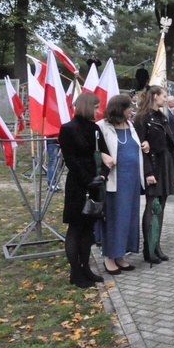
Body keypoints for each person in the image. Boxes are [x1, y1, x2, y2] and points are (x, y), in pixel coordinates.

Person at [58, 92, 108, 288]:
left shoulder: (95, 128)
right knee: (76, 227)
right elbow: (71, 160)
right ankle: (76, 272)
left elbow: (105, 153)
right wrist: (89, 180)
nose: (98, 111)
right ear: (87, 107)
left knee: (89, 228)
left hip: (95, 182)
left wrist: (103, 176)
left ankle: (85, 267)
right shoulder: (68, 129)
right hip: (78, 185)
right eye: (96, 107)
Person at [97, 95, 144, 274]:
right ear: (119, 108)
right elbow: (97, 149)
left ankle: (120, 254)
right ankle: (109, 256)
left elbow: (134, 147)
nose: (131, 110)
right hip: (115, 181)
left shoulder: (130, 125)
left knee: (129, 218)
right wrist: (103, 156)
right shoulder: (103, 126)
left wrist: (144, 146)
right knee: (114, 218)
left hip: (132, 181)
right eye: (128, 107)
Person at [134, 85, 174, 265]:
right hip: (153, 165)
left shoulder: (162, 116)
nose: (166, 99)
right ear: (155, 96)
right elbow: (141, 148)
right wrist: (148, 172)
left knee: (162, 205)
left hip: (165, 163)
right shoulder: (142, 118)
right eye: (164, 96)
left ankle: (156, 245)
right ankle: (149, 248)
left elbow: (170, 143)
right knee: (152, 205)